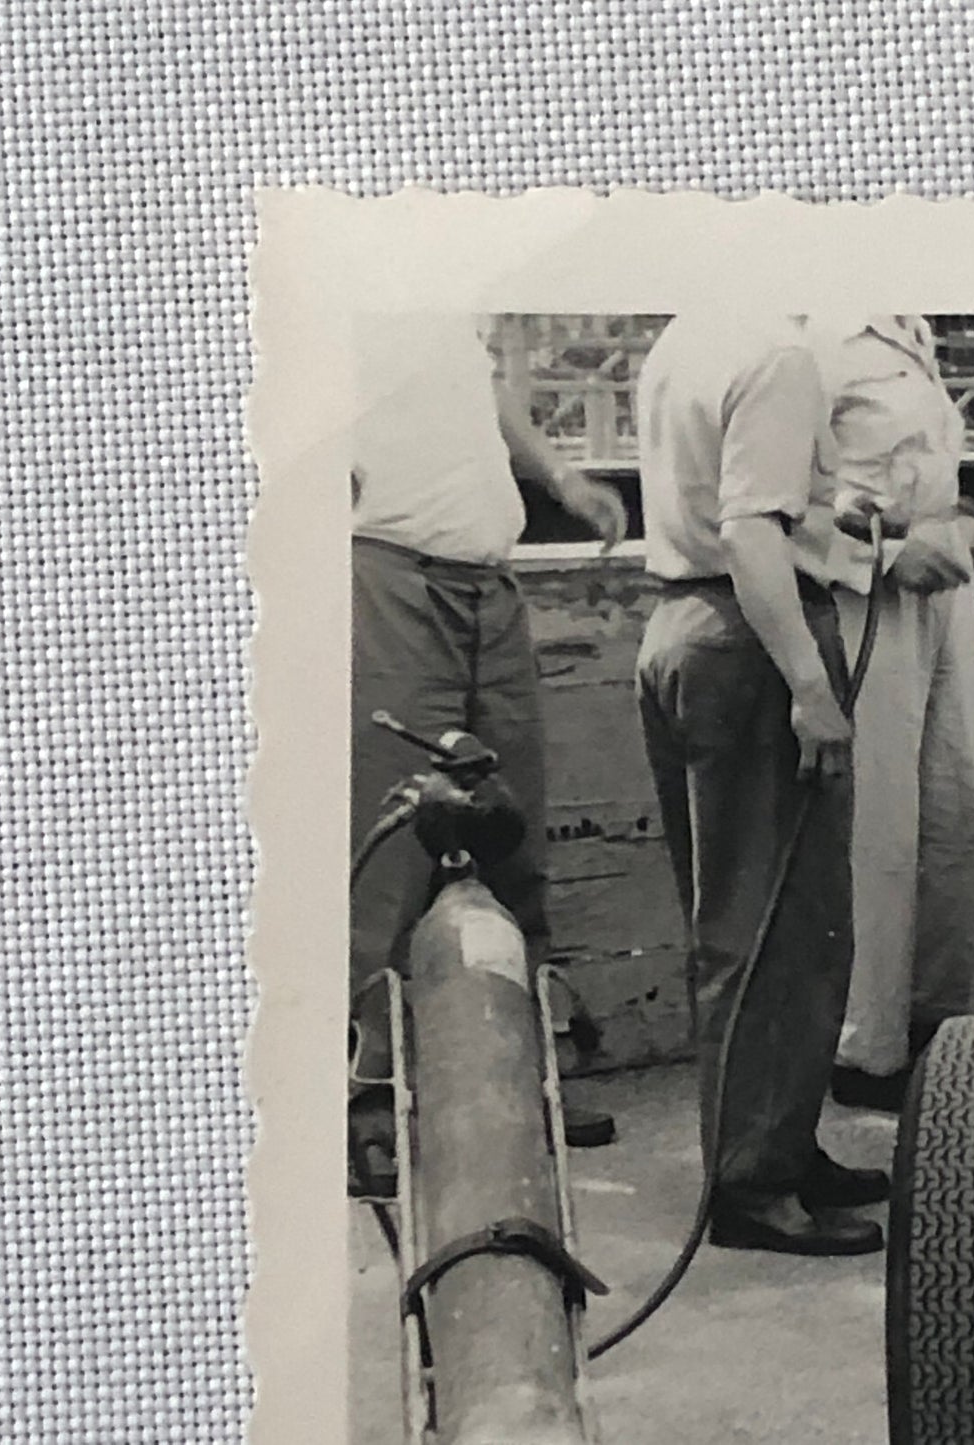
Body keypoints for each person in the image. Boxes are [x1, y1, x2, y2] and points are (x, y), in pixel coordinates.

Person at [634, 313, 889, 1256]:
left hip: (679, 626)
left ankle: (776, 1140)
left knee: (735, 918)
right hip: (752, 639)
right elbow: (748, 533)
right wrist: (812, 687)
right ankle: (752, 1182)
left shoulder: (680, 339)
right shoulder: (775, 354)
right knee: (786, 921)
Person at [348, 310, 627, 1148]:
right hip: (391, 574)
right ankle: (371, 1102)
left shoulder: (449, 282)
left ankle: (527, 1076)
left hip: (487, 585)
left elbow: (482, 388)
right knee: (393, 845)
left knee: (510, 831)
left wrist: (560, 479)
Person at [807, 314, 974, 1113]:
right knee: (877, 823)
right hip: (863, 587)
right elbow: (769, 506)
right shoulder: (804, 333)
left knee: (960, 812)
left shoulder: (901, 323)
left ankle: (936, 1025)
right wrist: (878, 554)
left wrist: (956, 522)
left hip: (939, 577)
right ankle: (865, 1047)